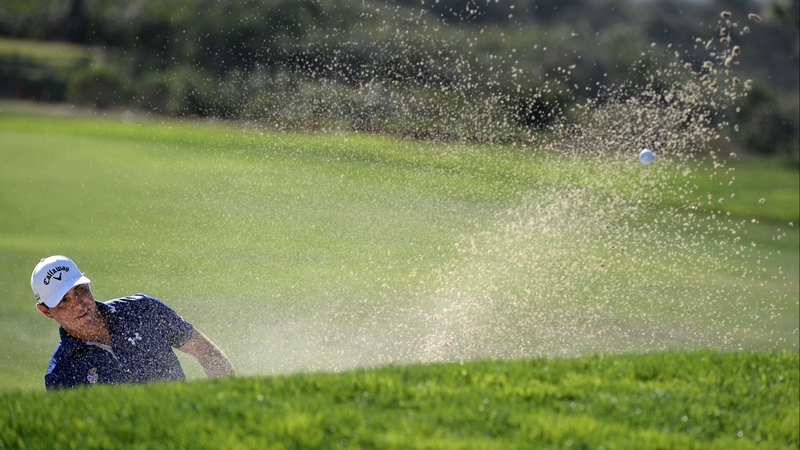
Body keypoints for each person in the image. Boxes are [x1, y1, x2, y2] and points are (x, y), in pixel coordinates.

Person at [31, 255, 235, 389]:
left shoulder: (143, 309)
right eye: (63, 300)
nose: (78, 304)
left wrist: (229, 401)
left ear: (87, 281)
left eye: (80, 290)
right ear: (46, 311)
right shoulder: (62, 374)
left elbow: (205, 352)